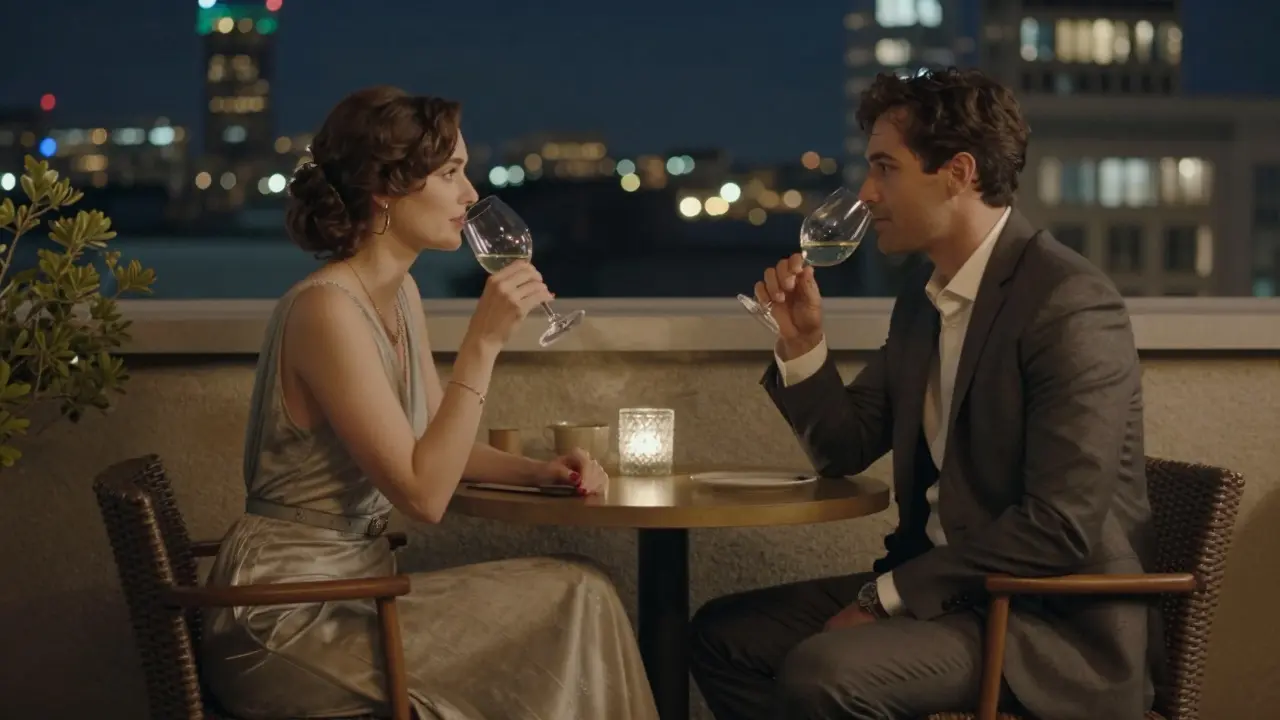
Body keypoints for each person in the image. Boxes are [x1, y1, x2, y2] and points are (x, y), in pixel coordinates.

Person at [690, 68, 1155, 720]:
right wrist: (801, 345)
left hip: (1040, 623)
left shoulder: (1067, 302)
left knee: (823, 673)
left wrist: (885, 599)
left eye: (886, 169)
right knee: (725, 637)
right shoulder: (924, 298)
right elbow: (845, 447)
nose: (868, 193)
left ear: (959, 172)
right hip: (949, 596)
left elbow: (1059, 528)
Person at [199, 86, 659, 720]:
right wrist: (483, 344)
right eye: (450, 173)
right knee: (576, 594)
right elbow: (424, 495)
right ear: (386, 188)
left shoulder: (401, 294)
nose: (471, 194)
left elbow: (428, 444)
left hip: (360, 591)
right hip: (285, 615)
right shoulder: (326, 310)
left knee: (584, 593)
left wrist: (538, 473)